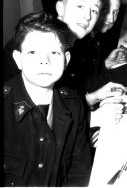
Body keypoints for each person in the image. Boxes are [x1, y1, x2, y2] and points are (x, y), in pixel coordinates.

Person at [4, 12, 91, 186]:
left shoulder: (73, 105)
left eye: (54, 52)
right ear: (18, 59)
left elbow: (79, 171)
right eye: (32, 52)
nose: (44, 61)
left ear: (66, 60)